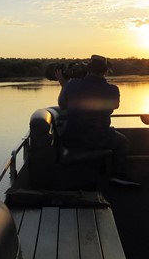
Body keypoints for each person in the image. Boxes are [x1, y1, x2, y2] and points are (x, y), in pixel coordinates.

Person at [56, 54, 140, 187]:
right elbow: (113, 107)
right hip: (98, 138)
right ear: (106, 71)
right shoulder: (112, 89)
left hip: (72, 138)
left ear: (88, 70)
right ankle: (118, 174)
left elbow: (62, 105)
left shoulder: (72, 84)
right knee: (122, 141)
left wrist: (64, 85)